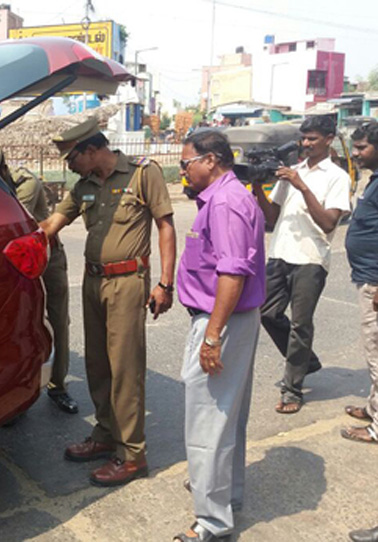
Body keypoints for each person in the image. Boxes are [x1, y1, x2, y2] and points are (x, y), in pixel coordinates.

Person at [39, 118, 176, 486]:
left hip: (128, 282)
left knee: (125, 369)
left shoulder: (142, 174)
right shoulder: (82, 186)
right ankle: (103, 434)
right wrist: (28, 241)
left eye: (72, 158)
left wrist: (165, 282)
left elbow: (165, 224)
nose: (69, 166)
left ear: (92, 150)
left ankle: (132, 454)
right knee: (98, 364)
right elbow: (54, 222)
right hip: (93, 280)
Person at [173, 129, 265, 542]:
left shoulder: (226, 201)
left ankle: (212, 521)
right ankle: (227, 497)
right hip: (229, 319)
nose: (183, 171)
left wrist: (211, 337)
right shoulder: (227, 195)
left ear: (211, 160)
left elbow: (231, 274)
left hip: (221, 319)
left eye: (186, 162)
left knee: (208, 419)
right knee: (225, 416)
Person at [252, 115, 351, 414]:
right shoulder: (292, 171)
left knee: (300, 324)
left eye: (313, 139)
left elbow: (328, 223)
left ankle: (292, 388)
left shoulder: (337, 177)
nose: (306, 144)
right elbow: (271, 217)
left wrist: (303, 186)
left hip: (310, 258)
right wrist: (257, 187)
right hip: (281, 254)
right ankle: (306, 361)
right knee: (266, 312)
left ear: (329, 139)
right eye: (304, 138)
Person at [0, 142, 78, 414]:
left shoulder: (26, 183)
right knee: (16, 325)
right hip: (12, 262)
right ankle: (17, 392)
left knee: (57, 321)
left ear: (1, 168)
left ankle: (58, 386)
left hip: (46, 257)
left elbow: (12, 223)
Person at [340, 121, 378, 447]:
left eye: (362, 147)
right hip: (367, 278)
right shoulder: (373, 181)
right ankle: (373, 408)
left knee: (377, 353)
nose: (355, 153)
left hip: (375, 283)